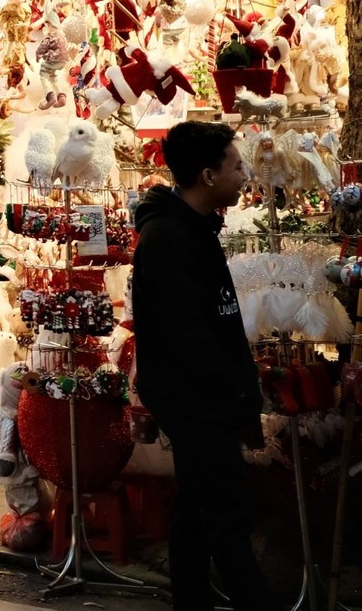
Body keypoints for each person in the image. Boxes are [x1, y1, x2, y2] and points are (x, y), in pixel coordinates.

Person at [132, 120, 275, 611]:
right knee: (227, 514)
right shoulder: (169, 238)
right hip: (196, 398)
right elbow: (187, 333)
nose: (245, 174)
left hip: (204, 394)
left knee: (195, 509)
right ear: (209, 175)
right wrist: (234, 390)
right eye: (237, 166)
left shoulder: (194, 227)